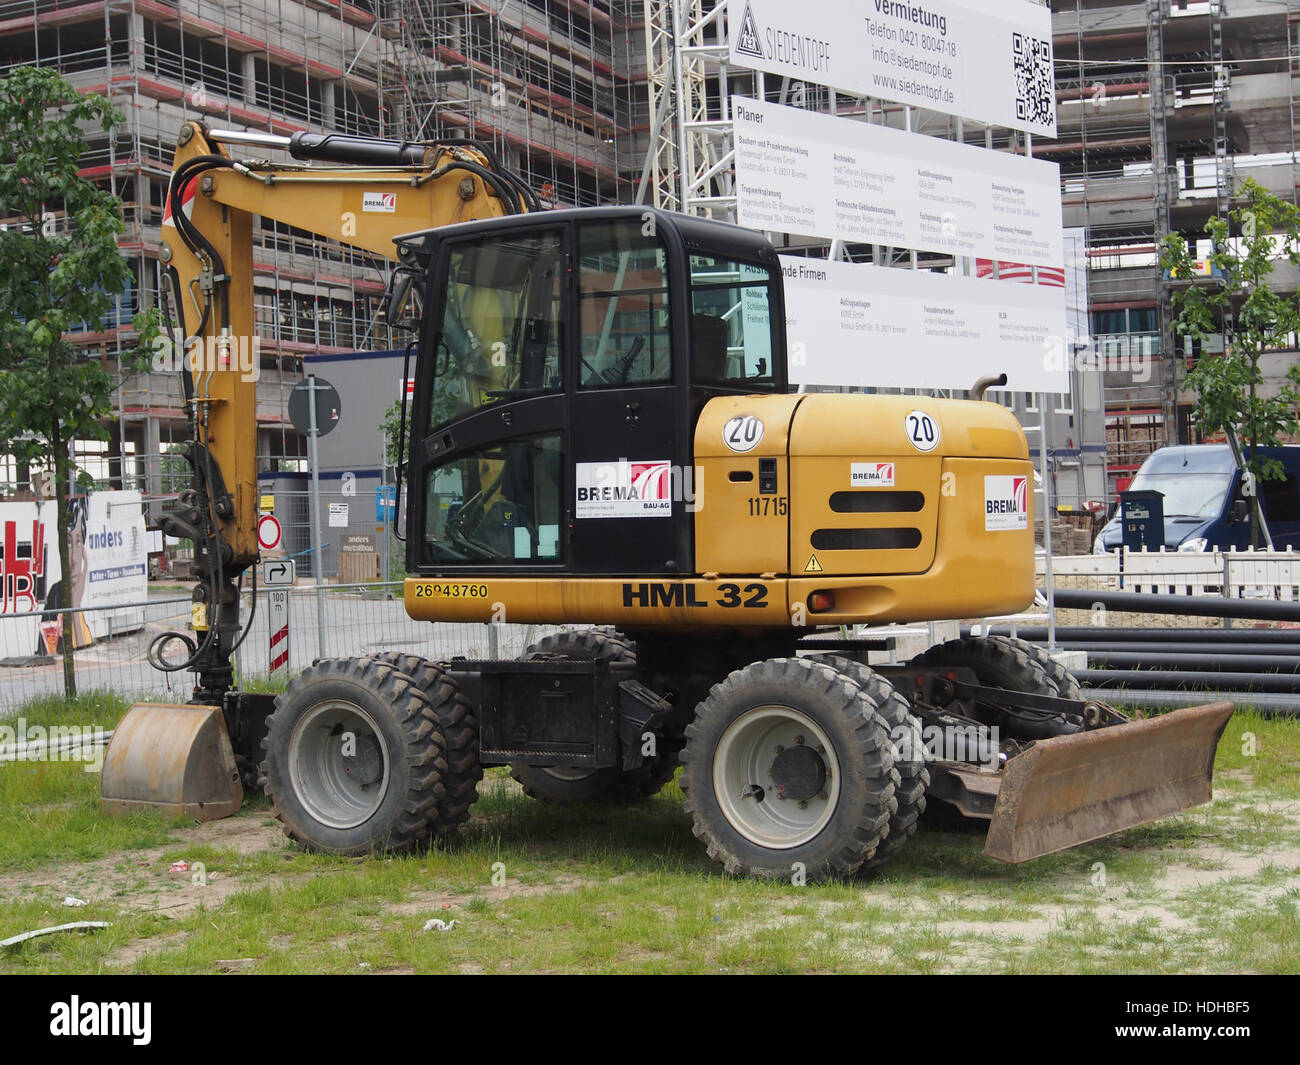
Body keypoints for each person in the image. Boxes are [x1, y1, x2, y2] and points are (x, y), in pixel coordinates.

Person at [36, 496, 93, 654]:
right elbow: (50, 648)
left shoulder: (77, 595)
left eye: (79, 541)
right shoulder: (56, 594)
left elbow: (82, 643)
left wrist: (75, 606)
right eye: (68, 543)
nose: (75, 558)